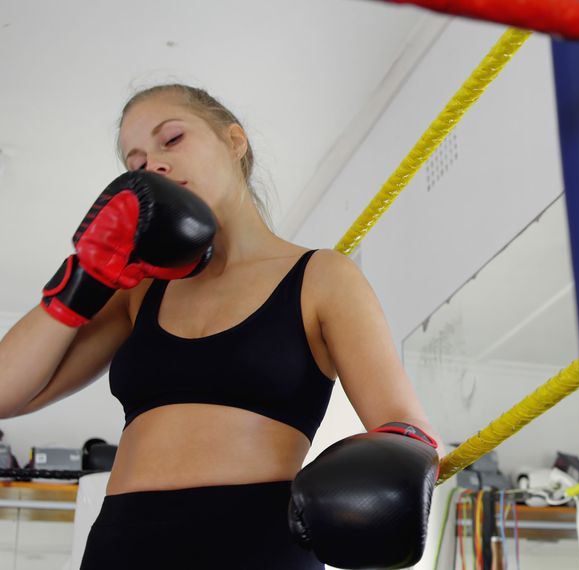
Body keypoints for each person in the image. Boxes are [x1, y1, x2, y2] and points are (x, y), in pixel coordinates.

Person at [0, 84, 440, 569]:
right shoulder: (139, 290)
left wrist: (385, 468)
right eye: (137, 163)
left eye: (172, 139)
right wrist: (82, 278)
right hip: (122, 544)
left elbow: (405, 425)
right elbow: (7, 393)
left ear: (235, 141)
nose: (155, 166)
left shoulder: (321, 276)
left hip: (257, 544)